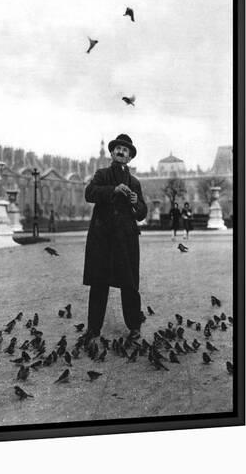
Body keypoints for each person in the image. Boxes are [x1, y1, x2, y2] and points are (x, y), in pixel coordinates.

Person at [83, 133, 147, 340]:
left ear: (129, 158)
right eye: (118, 148)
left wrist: (136, 202)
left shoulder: (135, 182)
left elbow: (142, 213)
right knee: (99, 284)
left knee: (129, 284)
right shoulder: (101, 175)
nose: (121, 151)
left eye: (125, 150)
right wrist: (113, 189)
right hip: (103, 238)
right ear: (112, 153)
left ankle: (134, 326)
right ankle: (93, 329)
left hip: (126, 238)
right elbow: (89, 193)